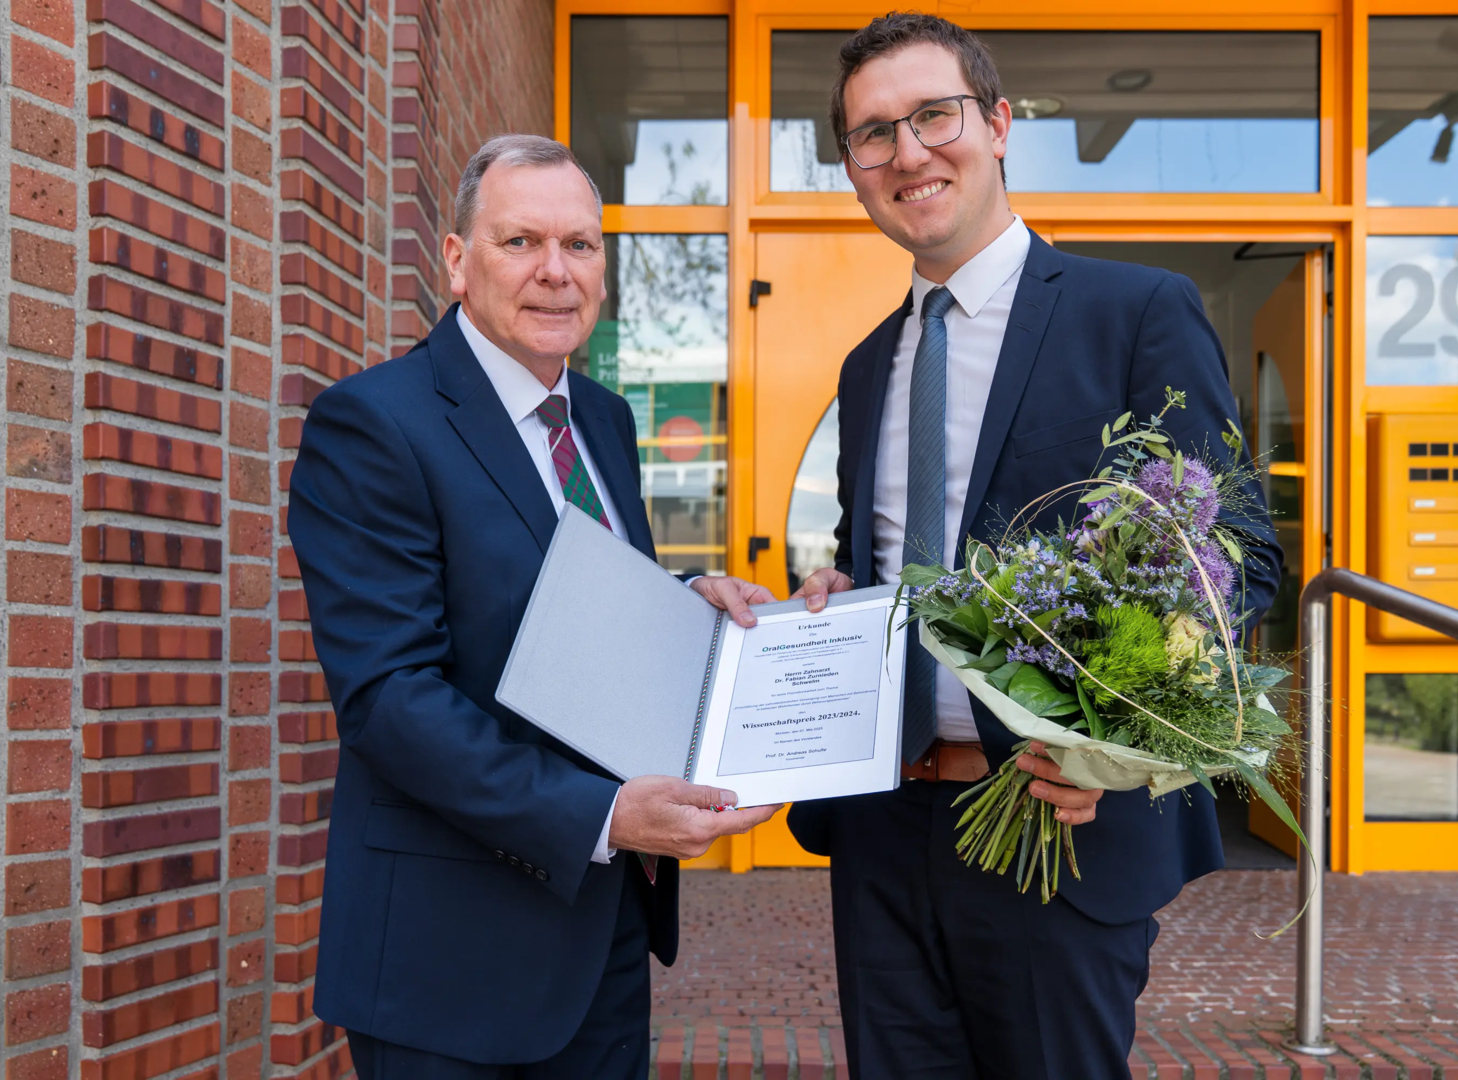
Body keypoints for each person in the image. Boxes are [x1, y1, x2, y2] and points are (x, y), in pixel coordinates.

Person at [785, 15, 1286, 1078]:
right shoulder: (867, 367)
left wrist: (1118, 744)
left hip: (1060, 826)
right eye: (874, 134)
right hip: (882, 829)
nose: (908, 153)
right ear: (854, 167)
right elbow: (875, 557)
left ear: (1000, 124)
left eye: (935, 116)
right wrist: (834, 592)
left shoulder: (1136, 311)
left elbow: (1236, 553)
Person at [288, 135, 778, 1080]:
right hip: (453, 961)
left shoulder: (603, 418)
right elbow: (390, 698)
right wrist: (605, 817)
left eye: (581, 245)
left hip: (603, 934)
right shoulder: (374, 424)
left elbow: (570, 601)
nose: (557, 271)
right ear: (456, 260)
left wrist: (686, 598)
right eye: (520, 242)